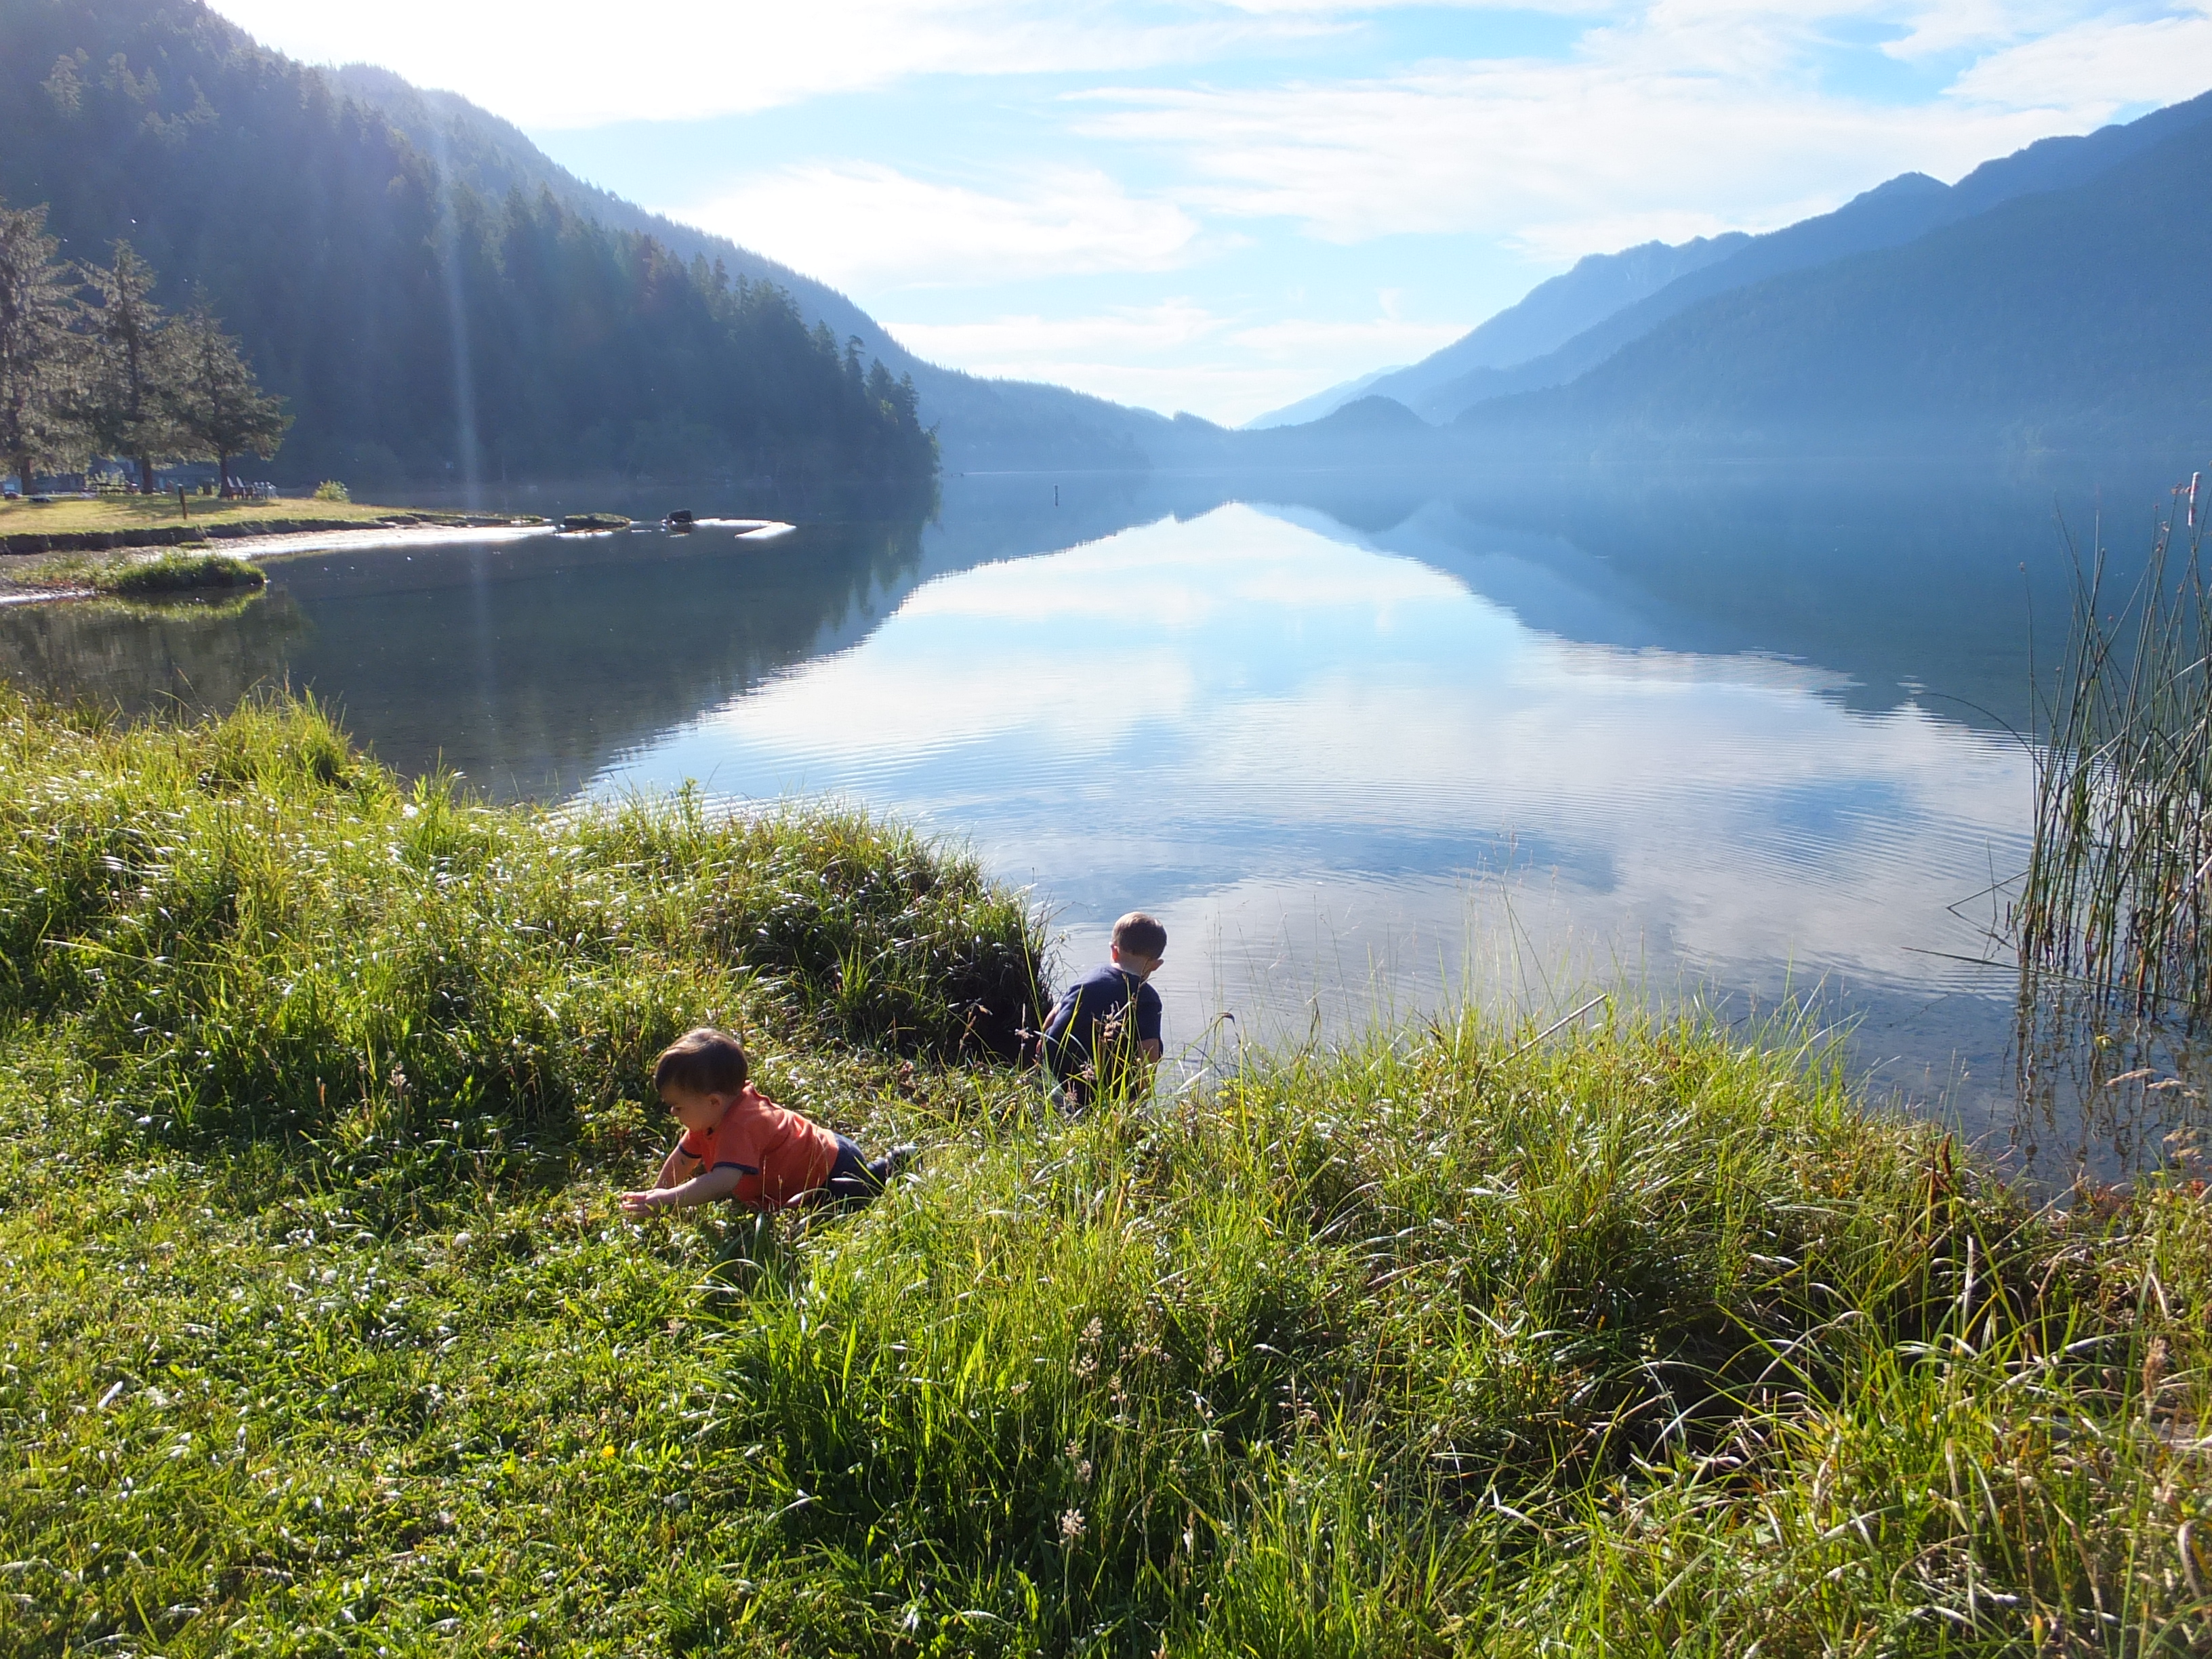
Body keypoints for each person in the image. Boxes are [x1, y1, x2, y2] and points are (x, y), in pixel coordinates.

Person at [618, 1027, 911, 1216]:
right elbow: (684, 1158)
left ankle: (890, 1165)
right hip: (820, 1155)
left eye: (678, 1106)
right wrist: (654, 1194)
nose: (673, 1113)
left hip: (833, 1168)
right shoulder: (710, 1117)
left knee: (847, 1203)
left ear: (714, 1101)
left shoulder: (741, 1126)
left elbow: (721, 1182)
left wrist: (667, 1199)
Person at [1042, 912, 1166, 1109]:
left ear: (1114, 951)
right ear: (1156, 965)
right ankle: (1113, 1108)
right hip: (1102, 1084)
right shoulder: (1147, 998)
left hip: (1057, 1069)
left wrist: (1041, 1047)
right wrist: (1143, 1093)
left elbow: (1056, 1015)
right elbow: (1149, 1050)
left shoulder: (1088, 979)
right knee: (1155, 1045)